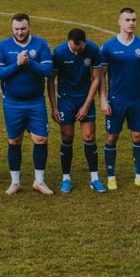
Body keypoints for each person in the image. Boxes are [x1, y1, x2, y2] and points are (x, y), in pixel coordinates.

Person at [0, 13, 53, 195]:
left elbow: (49, 71)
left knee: (41, 139)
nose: (20, 32)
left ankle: (39, 182)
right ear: (12, 29)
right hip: (12, 103)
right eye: (17, 29)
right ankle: (15, 182)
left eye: (23, 28)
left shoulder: (41, 44)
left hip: (36, 101)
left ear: (29, 27)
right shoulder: (3, 46)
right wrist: (18, 64)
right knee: (14, 140)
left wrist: (30, 63)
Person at [99, 8, 140, 191]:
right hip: (116, 100)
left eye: (134, 20)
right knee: (111, 137)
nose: (131, 23)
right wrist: (103, 99)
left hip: (137, 100)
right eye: (127, 20)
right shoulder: (108, 46)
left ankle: (139, 177)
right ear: (119, 22)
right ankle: (111, 177)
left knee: (138, 136)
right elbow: (101, 76)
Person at [47, 28, 105, 193]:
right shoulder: (59, 53)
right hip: (66, 100)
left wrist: (87, 105)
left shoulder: (93, 50)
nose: (77, 51)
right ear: (69, 42)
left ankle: (94, 179)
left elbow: (96, 79)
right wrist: (54, 107)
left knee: (89, 136)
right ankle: (66, 178)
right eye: (74, 48)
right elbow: (51, 81)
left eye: (80, 48)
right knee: (67, 136)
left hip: (84, 97)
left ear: (84, 42)